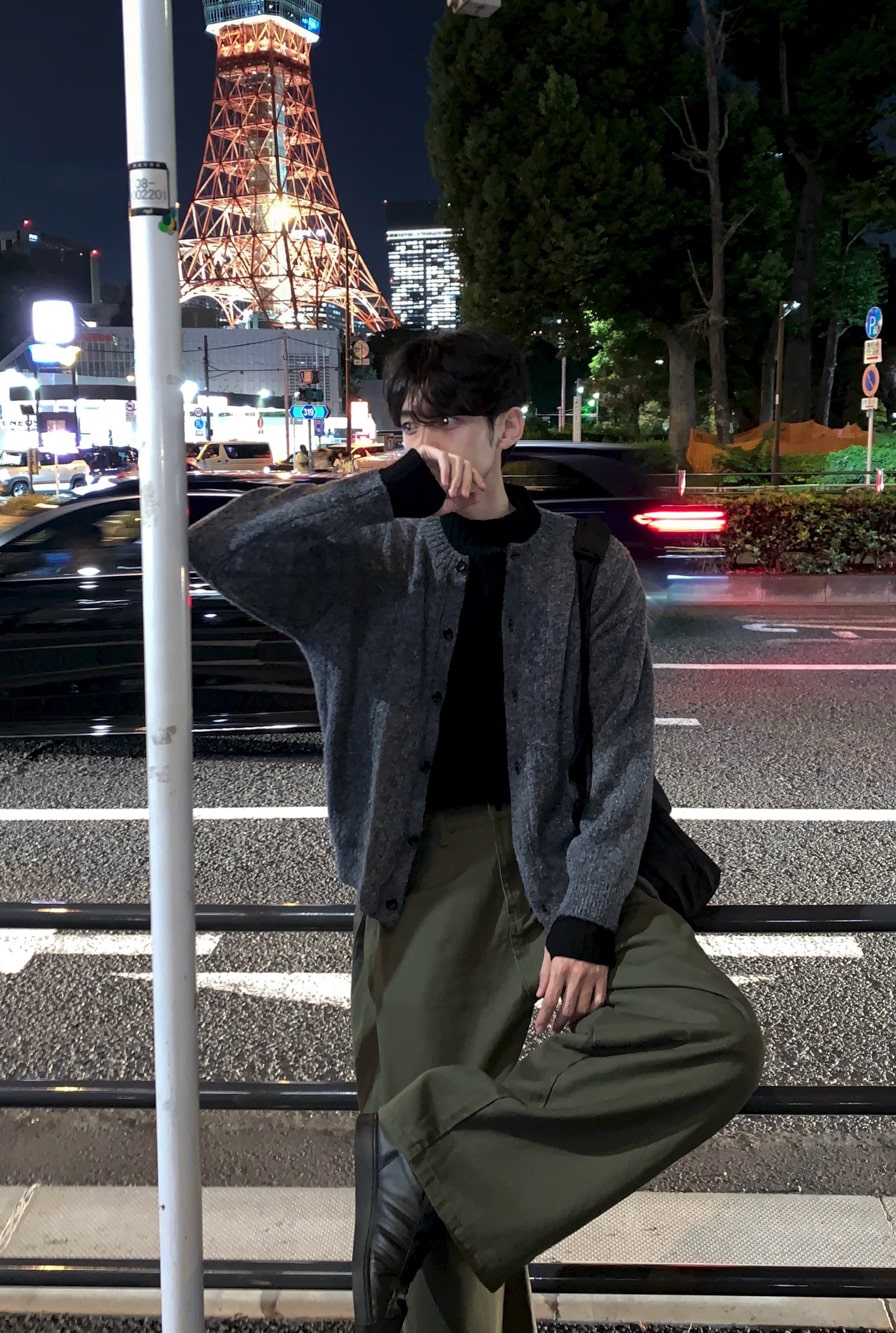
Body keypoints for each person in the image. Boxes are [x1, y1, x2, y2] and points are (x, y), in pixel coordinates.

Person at [188, 326, 764, 1333]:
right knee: (436, 1272)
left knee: (713, 1036)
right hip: (419, 889)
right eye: (412, 423)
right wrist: (382, 489)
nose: (429, 442)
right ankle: (424, 1170)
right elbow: (216, 548)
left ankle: (424, 1157)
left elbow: (623, 755)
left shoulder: (584, 565)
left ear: (507, 428)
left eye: (450, 421)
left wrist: (587, 921)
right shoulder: (370, 558)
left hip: (558, 871)